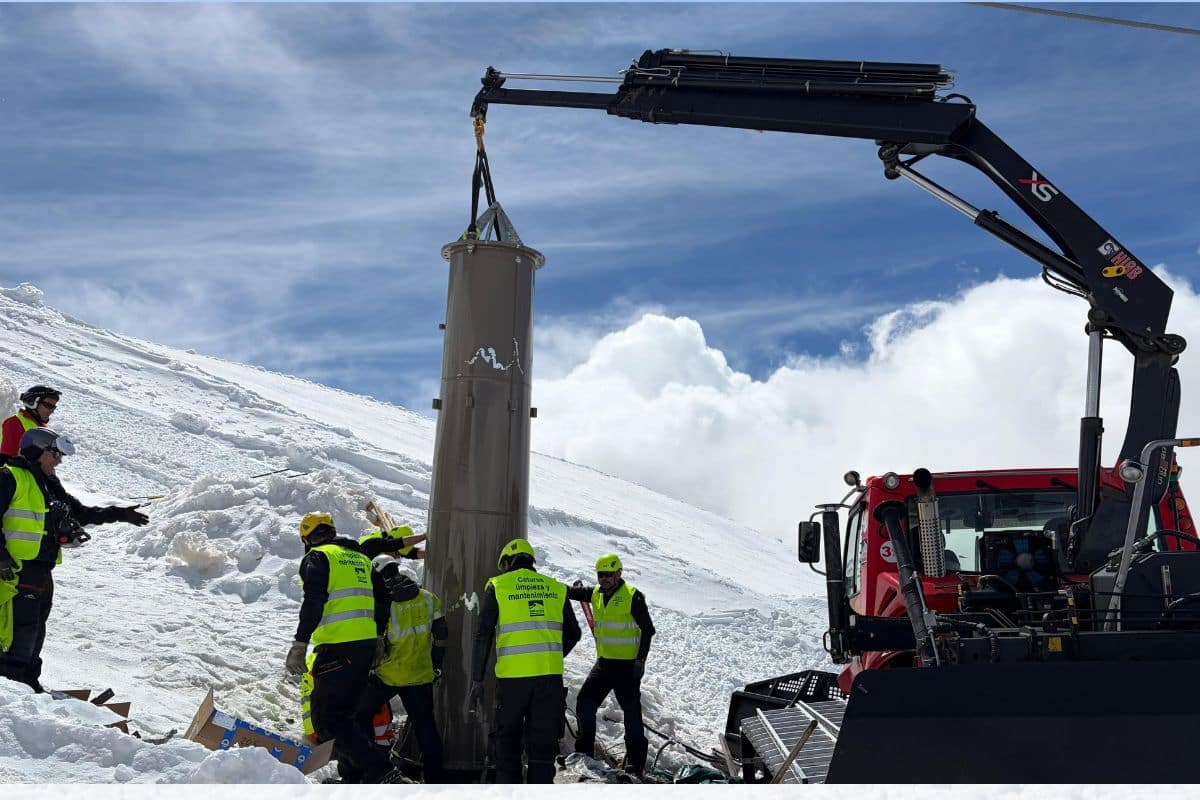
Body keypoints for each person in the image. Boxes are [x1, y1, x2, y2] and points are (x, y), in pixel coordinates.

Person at [0, 428, 149, 692]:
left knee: (36, 629)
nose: (59, 461)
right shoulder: (10, 477)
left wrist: (119, 514)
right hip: (16, 570)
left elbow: (79, 513)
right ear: (37, 451)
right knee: (19, 632)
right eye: (55, 454)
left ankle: (30, 684)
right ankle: (12, 688)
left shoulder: (49, 484)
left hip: (41, 570)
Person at [284, 512, 399, 783]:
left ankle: (382, 770)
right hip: (365, 649)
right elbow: (384, 599)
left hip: (337, 648)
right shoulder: (361, 559)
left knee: (327, 720)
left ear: (306, 538)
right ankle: (353, 779)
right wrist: (379, 637)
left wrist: (300, 642)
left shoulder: (318, 557)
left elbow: (314, 600)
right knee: (351, 716)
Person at [471, 538, 581, 783]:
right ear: (531, 561)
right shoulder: (555, 587)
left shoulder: (499, 586)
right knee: (542, 749)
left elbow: (483, 635)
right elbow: (575, 634)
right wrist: (550, 654)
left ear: (508, 562)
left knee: (507, 744)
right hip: (549, 680)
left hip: (513, 682)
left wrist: (477, 679)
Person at [354, 556, 447, 783]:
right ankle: (436, 783)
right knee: (427, 730)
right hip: (420, 675)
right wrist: (436, 666)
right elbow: (442, 635)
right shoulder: (428, 598)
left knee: (358, 716)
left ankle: (371, 770)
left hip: (388, 676)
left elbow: (374, 646)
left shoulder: (383, 605)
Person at [568, 553, 655, 775]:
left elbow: (648, 629)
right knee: (585, 702)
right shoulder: (596, 593)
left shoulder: (632, 596)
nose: (604, 579)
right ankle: (585, 751)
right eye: (601, 575)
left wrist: (640, 660)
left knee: (631, 714)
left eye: (609, 574)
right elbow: (572, 592)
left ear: (619, 573)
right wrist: (547, 585)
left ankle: (635, 763)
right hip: (605, 664)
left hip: (627, 667)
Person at [0, 386, 60, 460]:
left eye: (53, 407)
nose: (52, 411)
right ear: (32, 402)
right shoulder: (14, 423)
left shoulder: (43, 428)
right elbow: (7, 459)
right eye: (48, 405)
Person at [358, 524, 427, 561]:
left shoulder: (390, 550)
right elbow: (397, 544)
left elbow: (415, 553)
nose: (397, 558)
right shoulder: (371, 544)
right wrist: (424, 536)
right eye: (397, 554)